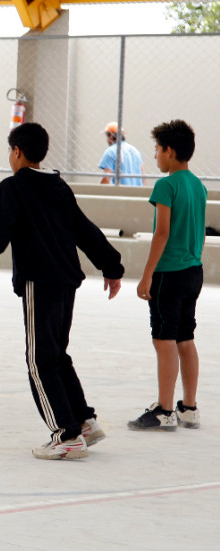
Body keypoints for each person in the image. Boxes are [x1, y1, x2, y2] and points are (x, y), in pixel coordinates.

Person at [0, 122, 124, 460]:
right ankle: (83, 421)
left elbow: (1, 229)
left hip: (40, 281)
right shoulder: (59, 187)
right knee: (57, 354)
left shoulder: (12, 187)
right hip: (67, 282)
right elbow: (84, 229)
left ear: (17, 151)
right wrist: (111, 266)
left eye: (11, 151)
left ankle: (65, 434)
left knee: (39, 360)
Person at [129, 120, 205, 431]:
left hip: (169, 274)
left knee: (164, 341)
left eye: (157, 150)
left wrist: (147, 275)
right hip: (193, 270)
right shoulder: (197, 184)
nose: (156, 156)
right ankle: (188, 407)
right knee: (185, 338)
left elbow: (162, 233)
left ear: (169, 151)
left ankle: (163, 409)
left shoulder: (166, 185)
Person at [99, 122, 145, 187]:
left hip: (120, 193)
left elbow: (107, 178)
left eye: (107, 136)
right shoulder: (135, 151)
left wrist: (98, 192)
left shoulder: (110, 151)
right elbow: (143, 176)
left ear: (111, 136)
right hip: (136, 193)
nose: (107, 139)